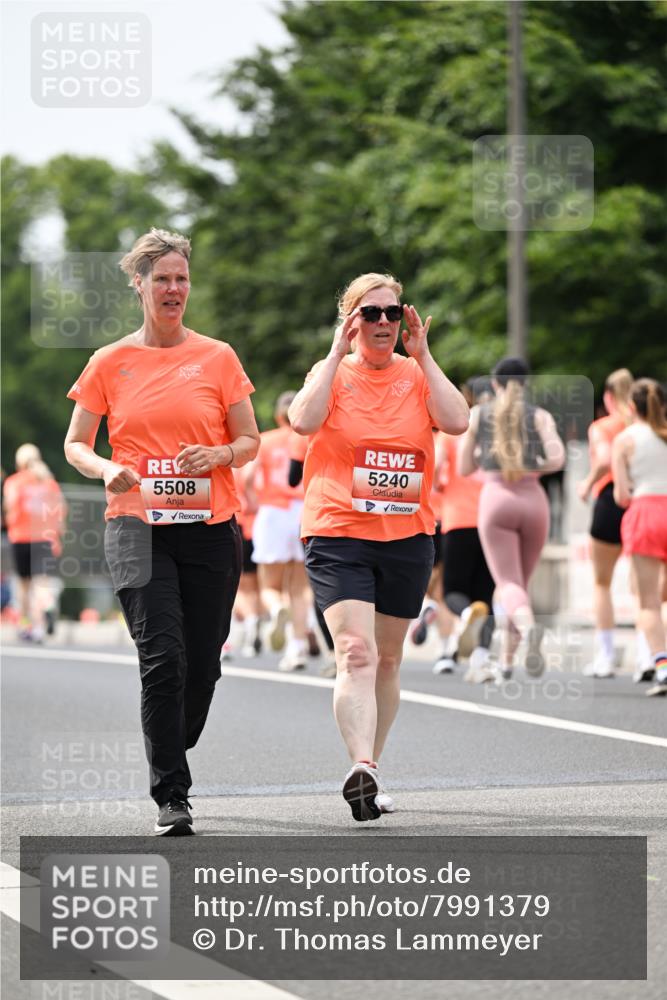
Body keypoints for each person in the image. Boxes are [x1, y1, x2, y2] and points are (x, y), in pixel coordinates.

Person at [64, 228, 259, 836]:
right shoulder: (109, 362)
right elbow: (75, 444)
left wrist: (220, 455)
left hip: (208, 526)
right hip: (136, 526)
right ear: (139, 284)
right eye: (163, 279)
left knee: (202, 665)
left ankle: (174, 736)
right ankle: (171, 795)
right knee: (163, 659)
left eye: (182, 278)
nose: (174, 289)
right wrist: (107, 468)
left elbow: (251, 441)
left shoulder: (218, 357)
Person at [289, 272, 469, 821]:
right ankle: (360, 763)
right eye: (372, 314)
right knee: (356, 652)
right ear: (352, 321)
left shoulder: (417, 375)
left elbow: (457, 420)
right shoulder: (331, 373)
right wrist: (333, 354)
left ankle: (370, 772)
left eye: (393, 312)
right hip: (338, 531)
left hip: (407, 535)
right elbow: (302, 420)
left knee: (389, 659)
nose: (385, 323)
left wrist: (426, 353)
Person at [458, 357, 565, 678]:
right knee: (519, 586)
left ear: (495, 384)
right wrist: (527, 465)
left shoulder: (479, 415)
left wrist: (489, 460)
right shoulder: (540, 416)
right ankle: (506, 661)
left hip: (497, 499)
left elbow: (464, 469)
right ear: (525, 384)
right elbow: (557, 459)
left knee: (508, 583)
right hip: (534, 499)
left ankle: (528, 629)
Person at [244, 391, 313, 671]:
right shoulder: (306, 438)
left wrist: (252, 502)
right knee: (300, 587)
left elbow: (248, 478)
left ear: (277, 416)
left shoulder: (266, 440)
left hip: (272, 511)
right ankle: (297, 648)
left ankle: (275, 609)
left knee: (269, 585)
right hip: (302, 511)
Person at [434, 377, 496, 680]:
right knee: (487, 593)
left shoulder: (452, 434)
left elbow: (434, 468)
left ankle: (464, 617)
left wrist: (439, 486)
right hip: (494, 521)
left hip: (458, 519)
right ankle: (481, 659)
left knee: (453, 591)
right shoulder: (500, 435)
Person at [576, 369, 635, 677]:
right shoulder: (646, 425)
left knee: (602, 583)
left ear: (609, 397)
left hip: (610, 500)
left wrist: (587, 482)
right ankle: (648, 655)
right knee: (645, 588)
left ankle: (606, 655)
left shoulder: (604, 426)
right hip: (641, 501)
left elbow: (603, 458)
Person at [612, 379, 667, 697]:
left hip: (645, 513)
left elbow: (621, 495)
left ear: (632, 407)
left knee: (647, 601)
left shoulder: (625, 439)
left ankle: (662, 665)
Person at [3, 444, 66, 641]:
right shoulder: (49, 482)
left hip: (21, 537)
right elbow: (61, 510)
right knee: (42, 584)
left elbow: (11, 506)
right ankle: (47, 608)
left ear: (19, 462)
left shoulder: (15, 482)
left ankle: (26, 626)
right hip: (45, 539)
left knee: (24, 586)